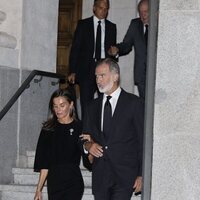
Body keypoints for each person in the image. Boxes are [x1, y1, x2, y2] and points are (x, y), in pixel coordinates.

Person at [81, 58, 144, 200]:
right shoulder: (92, 107)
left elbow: (142, 142)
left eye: (102, 75)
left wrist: (141, 174)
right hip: (101, 176)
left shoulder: (134, 103)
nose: (98, 80)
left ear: (115, 76)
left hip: (124, 176)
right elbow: (83, 137)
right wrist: (88, 145)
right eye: (96, 76)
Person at [33, 88, 86, 200]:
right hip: (54, 182)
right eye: (55, 106)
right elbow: (44, 163)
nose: (58, 109)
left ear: (71, 104)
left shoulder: (80, 127)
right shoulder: (48, 129)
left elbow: (88, 154)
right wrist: (39, 189)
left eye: (62, 105)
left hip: (73, 181)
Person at [68, 0, 117, 118]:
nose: (103, 11)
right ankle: (86, 133)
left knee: (104, 103)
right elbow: (76, 49)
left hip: (104, 69)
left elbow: (112, 50)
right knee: (86, 104)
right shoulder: (83, 25)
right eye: (101, 8)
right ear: (94, 8)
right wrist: (72, 71)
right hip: (86, 69)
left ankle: (101, 132)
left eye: (106, 9)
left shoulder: (111, 27)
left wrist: (114, 54)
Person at [108, 0, 149, 99]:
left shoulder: (160, 23)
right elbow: (126, 45)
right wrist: (117, 49)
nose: (143, 15)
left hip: (158, 73)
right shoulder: (135, 24)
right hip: (141, 75)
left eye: (146, 11)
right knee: (144, 105)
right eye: (141, 12)